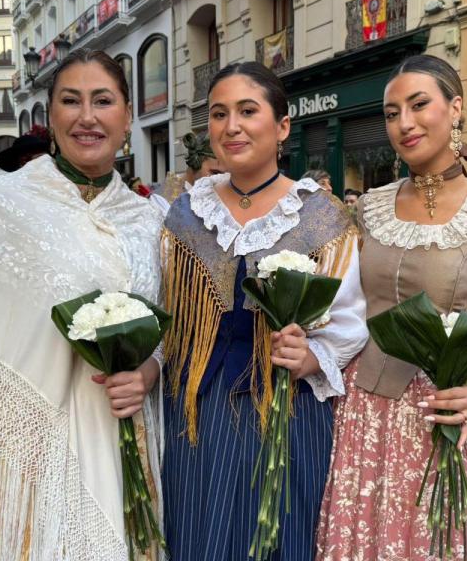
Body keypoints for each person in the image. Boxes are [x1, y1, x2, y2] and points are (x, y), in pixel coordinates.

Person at [0, 49, 166, 559]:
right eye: (71, 101)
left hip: (118, 428)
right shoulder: (5, 203)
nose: (87, 116)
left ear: (126, 115)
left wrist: (148, 372)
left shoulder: (148, 218)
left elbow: (167, 323)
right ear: (50, 116)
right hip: (19, 441)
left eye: (103, 100)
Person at [316, 54, 467, 560]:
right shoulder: (366, 209)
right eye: (392, 113)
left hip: (455, 411)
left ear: (455, 107)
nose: (405, 123)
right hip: (368, 415)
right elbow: (348, 307)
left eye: (419, 105)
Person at [161, 61, 366, 560]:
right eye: (218, 114)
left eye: (247, 111)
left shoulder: (322, 215)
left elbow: (350, 320)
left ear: (282, 127)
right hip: (196, 410)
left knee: (278, 535)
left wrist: (313, 355)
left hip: (285, 410)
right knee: (196, 529)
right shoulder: (185, 213)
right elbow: (167, 312)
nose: (231, 126)